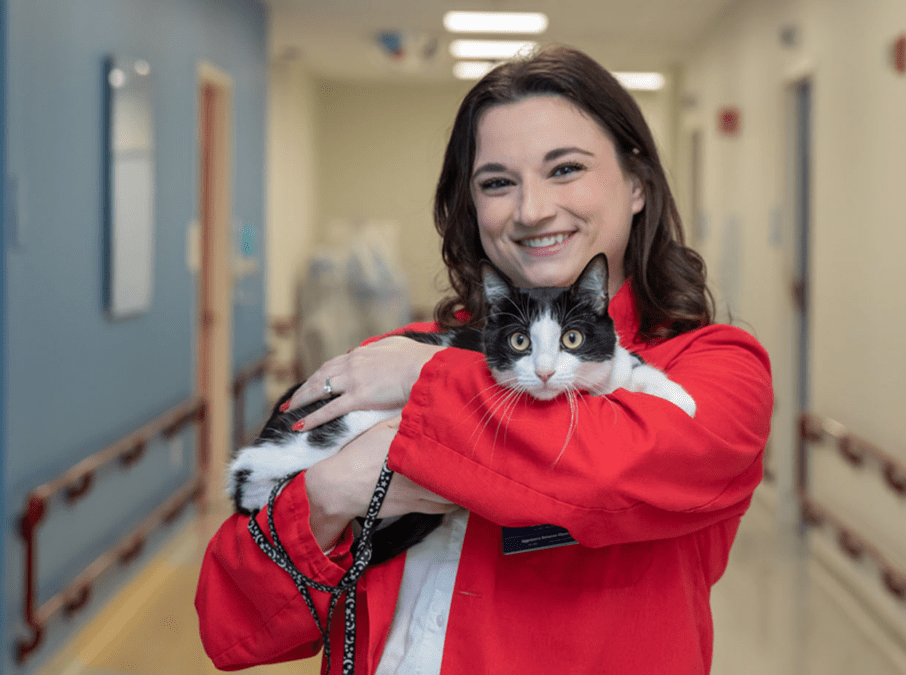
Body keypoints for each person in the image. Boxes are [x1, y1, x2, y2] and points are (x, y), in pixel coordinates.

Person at [195, 45, 772, 675]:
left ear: (637, 184)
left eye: (565, 169)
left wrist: (427, 378)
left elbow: (605, 475)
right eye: (497, 182)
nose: (531, 211)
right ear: (472, 208)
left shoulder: (716, 370)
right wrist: (332, 494)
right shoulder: (393, 353)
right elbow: (233, 624)